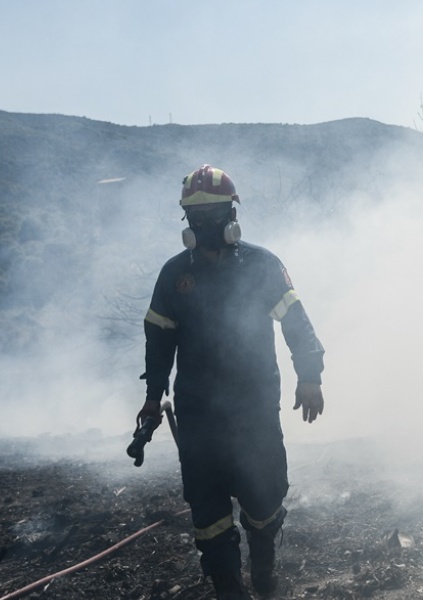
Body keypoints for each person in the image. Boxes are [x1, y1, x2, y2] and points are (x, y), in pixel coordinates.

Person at [139, 164, 326, 599]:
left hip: (254, 407)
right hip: (198, 411)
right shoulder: (174, 276)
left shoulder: (262, 266)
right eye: (195, 216)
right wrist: (152, 397)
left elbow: (297, 323)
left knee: (264, 501)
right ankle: (229, 589)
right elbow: (158, 341)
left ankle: (263, 573)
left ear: (232, 213)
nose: (205, 224)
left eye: (214, 213)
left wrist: (310, 376)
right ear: (186, 220)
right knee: (207, 511)